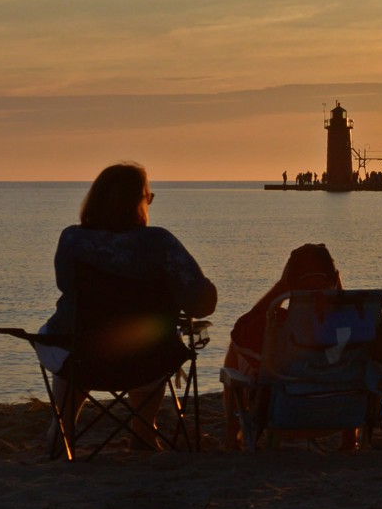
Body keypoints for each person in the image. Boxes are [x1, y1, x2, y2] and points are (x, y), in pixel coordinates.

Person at [39, 162, 217, 451]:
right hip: (149, 360)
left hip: (84, 356)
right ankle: (144, 430)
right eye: (148, 196)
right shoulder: (160, 243)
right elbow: (202, 304)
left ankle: (62, 429)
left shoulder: (72, 239)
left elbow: (66, 286)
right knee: (145, 339)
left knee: (71, 340)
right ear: (138, 201)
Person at [221, 243, 343, 447]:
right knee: (355, 359)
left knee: (236, 348)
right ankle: (349, 443)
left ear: (290, 281)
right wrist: (338, 291)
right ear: (334, 278)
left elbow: (241, 328)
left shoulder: (277, 328)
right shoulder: (352, 325)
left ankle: (232, 440)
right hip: (341, 414)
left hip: (286, 415)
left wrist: (281, 287)